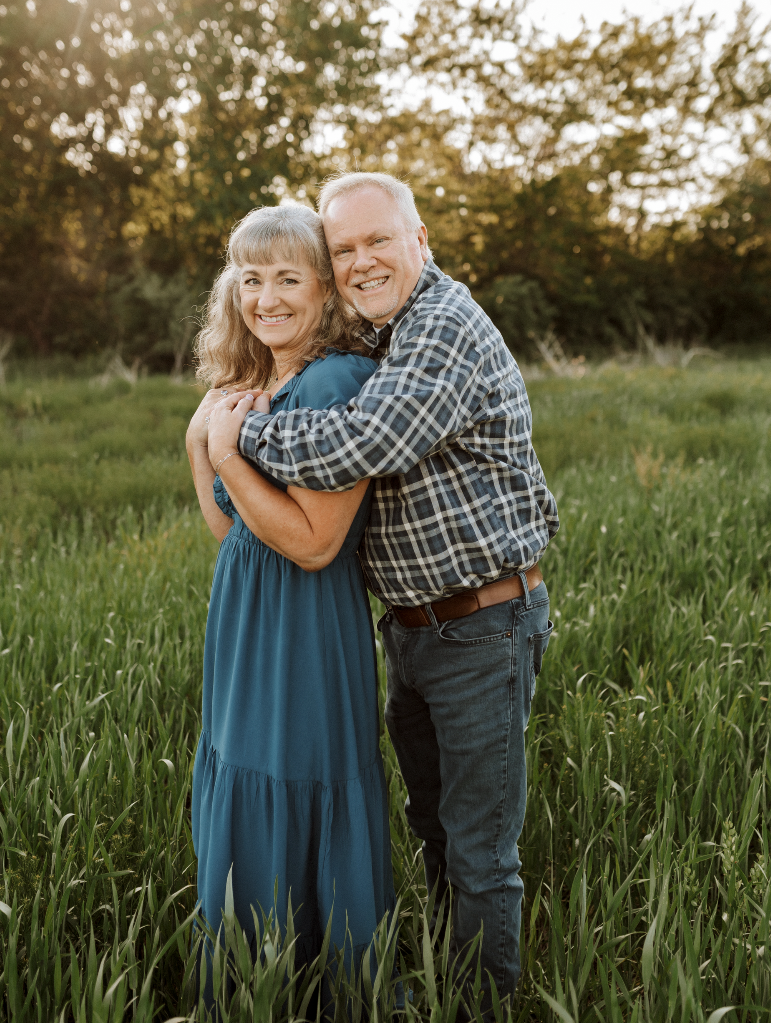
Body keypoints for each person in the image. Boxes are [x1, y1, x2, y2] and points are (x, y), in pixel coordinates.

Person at [214, 172, 559, 1011]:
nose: (363, 260)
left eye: (379, 241)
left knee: (479, 849)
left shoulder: (438, 328)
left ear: (421, 240)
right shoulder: (382, 336)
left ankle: (482, 1003)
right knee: (434, 827)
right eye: (345, 248)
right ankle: (449, 982)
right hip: (413, 627)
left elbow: (361, 442)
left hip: (483, 621)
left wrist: (234, 436)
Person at [185, 204, 395, 1009]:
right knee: (239, 772)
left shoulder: (335, 381)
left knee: (293, 776)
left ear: (325, 289)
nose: (264, 297)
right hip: (245, 611)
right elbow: (229, 528)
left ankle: (318, 990)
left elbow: (313, 542)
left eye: (286, 279)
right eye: (249, 278)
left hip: (305, 622)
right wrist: (202, 441)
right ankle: (248, 986)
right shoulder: (258, 382)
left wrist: (226, 453)